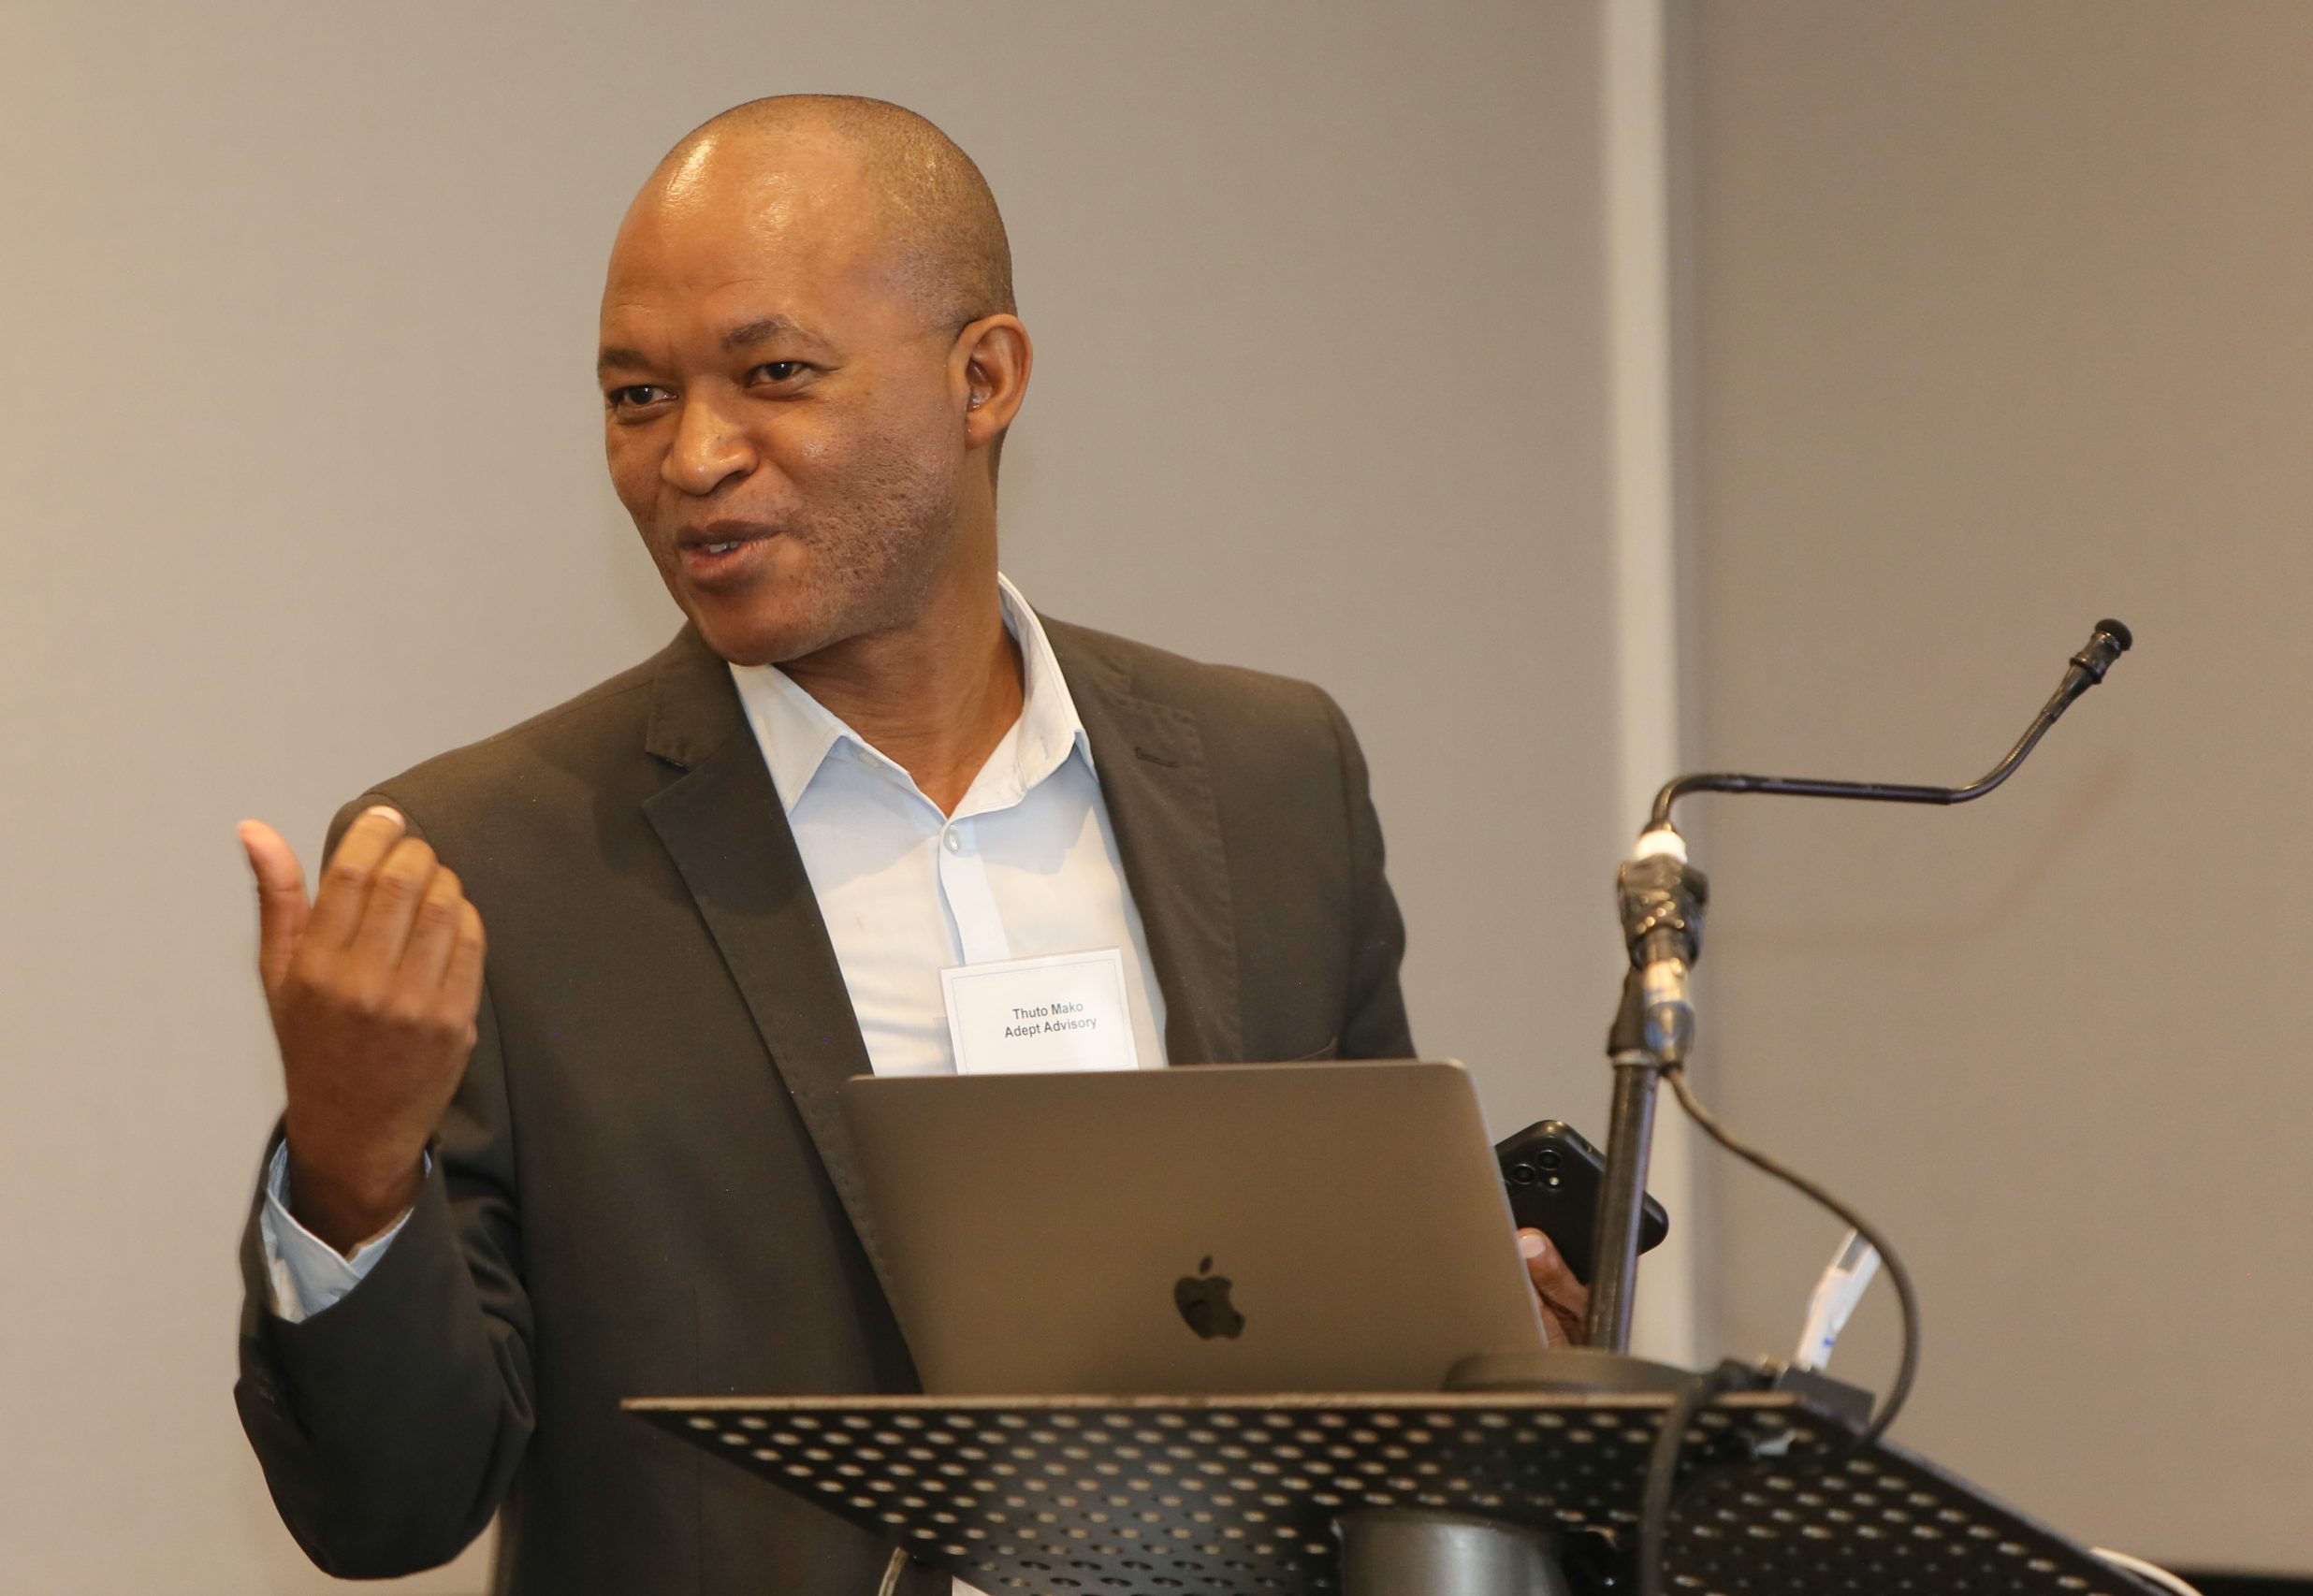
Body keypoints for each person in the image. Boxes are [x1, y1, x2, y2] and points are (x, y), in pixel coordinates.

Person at [232, 94, 1586, 1595]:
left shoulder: (1269, 780)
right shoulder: (487, 861)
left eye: (774, 374)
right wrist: (352, 1171)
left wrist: (1492, 1356)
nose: (692, 457)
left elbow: (1363, 1353)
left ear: (982, 378)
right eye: (637, 396)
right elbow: (387, 1508)